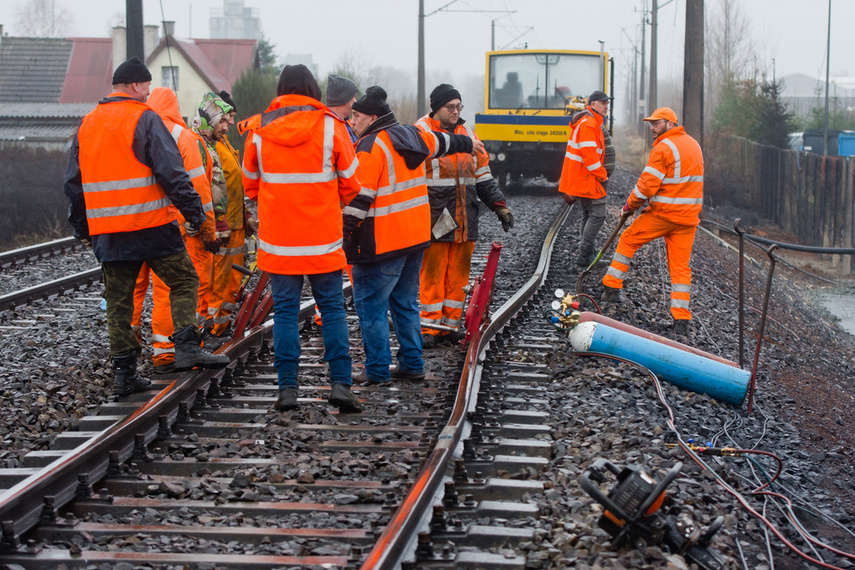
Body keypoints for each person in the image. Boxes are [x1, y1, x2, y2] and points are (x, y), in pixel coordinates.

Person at [64, 57, 229, 396]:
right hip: (153, 227)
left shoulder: (87, 124)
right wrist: (196, 216)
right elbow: (173, 174)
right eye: (148, 86)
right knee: (184, 279)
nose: (149, 92)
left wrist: (83, 228)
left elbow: (73, 184)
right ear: (137, 86)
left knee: (119, 303)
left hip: (110, 234)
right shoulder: (145, 119)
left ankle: (125, 374)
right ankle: (185, 347)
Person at [239, 64, 362, 413]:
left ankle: (288, 391)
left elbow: (249, 185)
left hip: (279, 245)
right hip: (322, 242)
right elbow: (352, 185)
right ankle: (340, 384)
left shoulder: (259, 130)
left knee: (286, 314)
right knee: (334, 311)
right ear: (313, 91)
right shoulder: (331, 128)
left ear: (280, 90)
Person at [344, 86, 483, 384]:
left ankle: (378, 370)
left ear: (371, 116)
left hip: (382, 243)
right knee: (406, 304)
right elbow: (444, 142)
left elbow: (359, 200)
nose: (352, 122)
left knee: (371, 308)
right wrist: (466, 143)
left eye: (355, 117)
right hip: (415, 240)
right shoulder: (411, 135)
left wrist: (341, 236)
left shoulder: (370, 146)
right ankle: (412, 364)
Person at [130, 87, 223, 372]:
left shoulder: (135, 131)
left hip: (132, 225)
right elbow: (199, 188)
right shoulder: (184, 137)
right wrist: (207, 228)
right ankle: (171, 351)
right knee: (175, 287)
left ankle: (132, 353)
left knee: (132, 289)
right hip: (173, 227)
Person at [415, 83, 514, 348]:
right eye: (450, 107)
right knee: (433, 271)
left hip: (464, 217)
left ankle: (448, 327)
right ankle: (429, 326)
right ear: (436, 108)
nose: (456, 111)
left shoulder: (467, 133)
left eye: (459, 107)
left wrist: (498, 205)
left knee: (459, 273)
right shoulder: (422, 132)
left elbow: (482, 175)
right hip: (435, 215)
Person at [601, 107, 704, 337]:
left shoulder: (664, 148)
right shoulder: (694, 145)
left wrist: (630, 206)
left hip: (665, 216)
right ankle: (681, 319)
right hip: (688, 219)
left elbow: (647, 185)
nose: (651, 127)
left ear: (669, 123)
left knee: (628, 238)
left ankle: (611, 287)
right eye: (651, 123)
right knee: (680, 268)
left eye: (656, 123)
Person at [208, 90, 257, 339]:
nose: (229, 125)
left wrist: (246, 212)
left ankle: (223, 324)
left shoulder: (223, 143)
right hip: (223, 226)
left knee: (232, 278)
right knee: (219, 279)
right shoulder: (210, 145)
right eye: (227, 119)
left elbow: (233, 183)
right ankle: (214, 328)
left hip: (236, 224)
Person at [558, 90, 613, 267]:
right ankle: (584, 254)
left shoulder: (588, 121)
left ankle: (587, 253)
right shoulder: (589, 123)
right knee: (598, 214)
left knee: (588, 213)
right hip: (588, 177)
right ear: (593, 104)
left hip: (583, 176)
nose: (606, 106)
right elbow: (589, 155)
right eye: (603, 103)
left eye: (607, 103)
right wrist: (602, 174)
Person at [325, 74, 359, 143]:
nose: (356, 101)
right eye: (354, 97)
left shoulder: (346, 124)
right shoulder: (327, 128)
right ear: (346, 99)